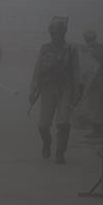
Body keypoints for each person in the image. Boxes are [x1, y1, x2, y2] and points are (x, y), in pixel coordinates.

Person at [29, 16, 81, 164]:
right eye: (52, 32)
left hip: (65, 89)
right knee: (43, 125)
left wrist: (76, 93)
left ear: (63, 33)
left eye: (57, 32)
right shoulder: (45, 48)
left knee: (63, 122)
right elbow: (37, 70)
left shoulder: (71, 50)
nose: (54, 35)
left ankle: (60, 152)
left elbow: (76, 72)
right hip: (47, 89)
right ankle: (47, 142)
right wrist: (32, 90)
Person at [77, 30, 103, 137]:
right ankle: (96, 128)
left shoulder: (98, 50)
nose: (88, 42)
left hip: (97, 82)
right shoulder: (95, 49)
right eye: (87, 40)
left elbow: (97, 64)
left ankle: (97, 129)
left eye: (89, 39)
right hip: (93, 82)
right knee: (93, 106)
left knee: (96, 106)